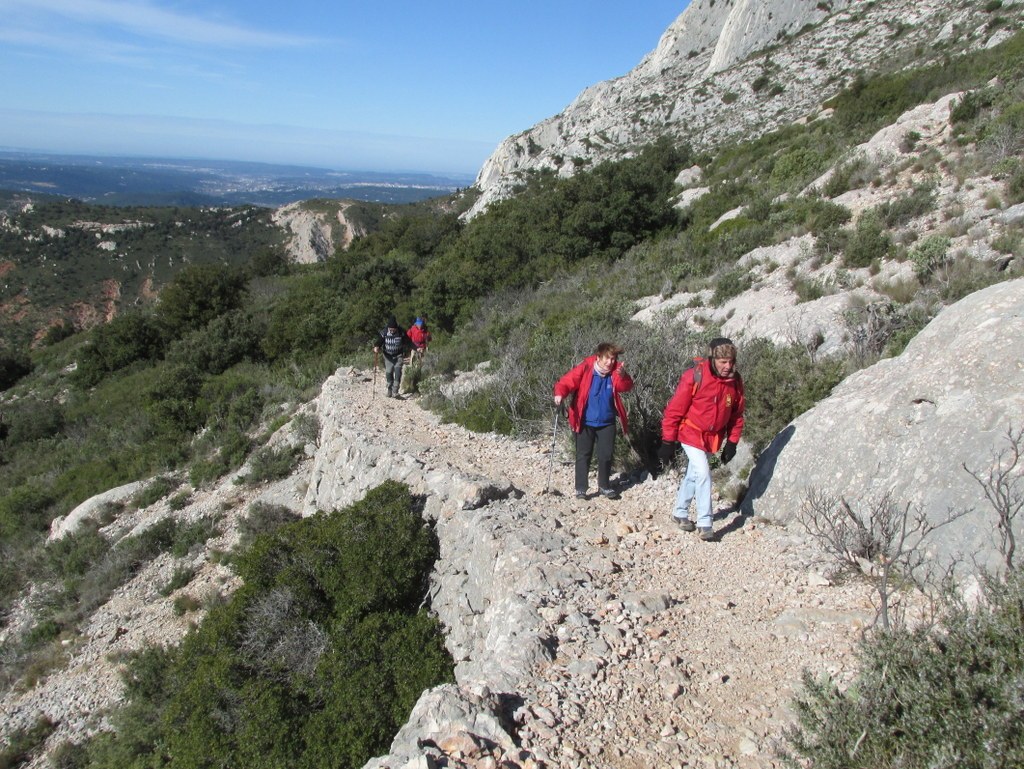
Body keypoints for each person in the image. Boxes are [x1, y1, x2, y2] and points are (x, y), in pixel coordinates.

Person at [658, 337, 745, 541]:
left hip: (712, 438)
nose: (728, 366)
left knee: (694, 474)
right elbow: (674, 410)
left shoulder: (735, 381)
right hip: (690, 433)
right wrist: (667, 441)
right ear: (712, 359)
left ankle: (680, 512)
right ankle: (706, 523)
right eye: (723, 361)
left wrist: (732, 442)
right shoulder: (694, 376)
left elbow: (736, 414)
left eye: (731, 361)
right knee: (704, 473)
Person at [553, 343, 634, 500]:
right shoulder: (586, 368)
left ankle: (604, 486)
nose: (610, 362)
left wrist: (624, 376)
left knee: (606, 455)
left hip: (607, 420)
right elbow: (566, 381)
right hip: (584, 420)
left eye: (613, 359)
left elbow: (627, 387)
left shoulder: (617, 371)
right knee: (583, 454)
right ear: (598, 357)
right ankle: (581, 489)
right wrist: (559, 394)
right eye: (607, 358)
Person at [374, 316, 413, 398]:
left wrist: (416, 348)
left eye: (393, 329)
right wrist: (376, 346)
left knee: (398, 371)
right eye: (390, 329)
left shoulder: (401, 332)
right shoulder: (384, 332)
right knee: (389, 372)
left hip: (398, 355)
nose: (391, 331)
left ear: (396, 328)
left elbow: (408, 341)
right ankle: (389, 390)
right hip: (388, 356)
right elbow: (379, 341)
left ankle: (395, 391)